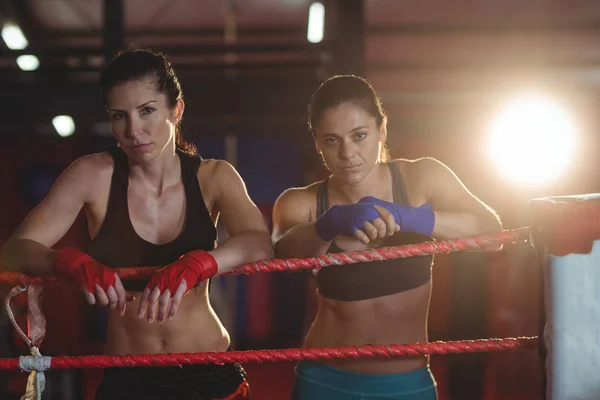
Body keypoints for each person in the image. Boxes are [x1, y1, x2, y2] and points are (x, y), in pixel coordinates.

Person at [0, 49, 273, 400]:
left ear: (177, 110)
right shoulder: (92, 175)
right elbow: (14, 251)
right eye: (119, 116)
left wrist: (201, 263)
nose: (133, 130)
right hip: (129, 378)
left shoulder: (215, 177)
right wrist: (68, 261)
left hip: (207, 371)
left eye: (147, 111)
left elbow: (259, 241)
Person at [272, 75, 502, 400]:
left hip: (406, 381)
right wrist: (329, 223)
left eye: (359, 135)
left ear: (382, 129)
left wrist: (413, 217)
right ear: (317, 143)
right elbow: (281, 257)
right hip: (325, 380)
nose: (347, 153)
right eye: (332, 140)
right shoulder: (302, 202)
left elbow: (492, 231)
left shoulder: (421, 177)